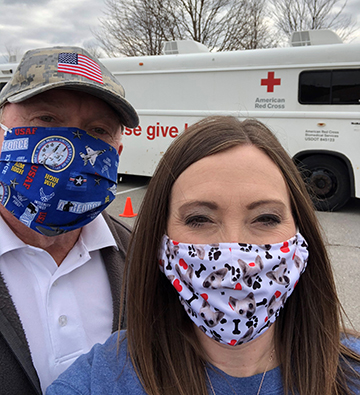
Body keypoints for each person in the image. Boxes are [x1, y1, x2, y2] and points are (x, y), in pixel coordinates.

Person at [47, 116, 360, 395]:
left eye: (266, 218)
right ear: (161, 242)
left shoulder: (353, 371)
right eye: (199, 219)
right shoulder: (97, 380)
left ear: (300, 235)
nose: (235, 254)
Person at [0, 46, 139, 394]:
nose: (72, 143)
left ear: (116, 153)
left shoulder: (139, 256)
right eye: (46, 119)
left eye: (98, 130)